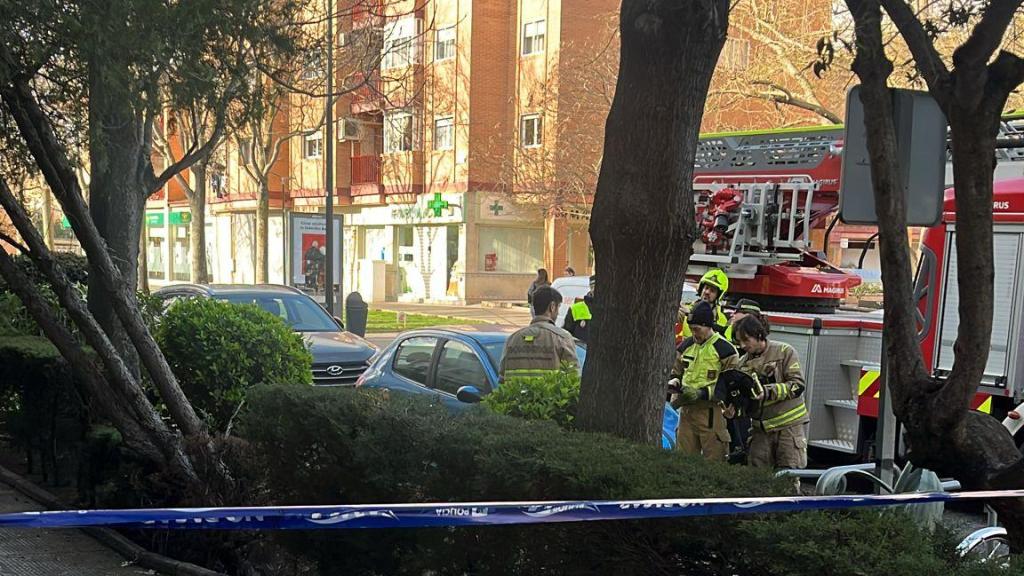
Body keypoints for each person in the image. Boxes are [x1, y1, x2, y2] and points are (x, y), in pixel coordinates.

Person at [732, 314, 809, 478]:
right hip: (760, 432)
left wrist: (767, 391)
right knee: (758, 479)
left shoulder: (784, 352)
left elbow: (797, 385)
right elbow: (745, 402)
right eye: (739, 341)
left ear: (759, 335)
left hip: (788, 429)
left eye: (746, 340)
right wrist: (734, 409)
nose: (743, 345)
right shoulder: (741, 364)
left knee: (788, 479)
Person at [668, 300, 738, 461]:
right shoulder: (685, 346)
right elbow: (676, 371)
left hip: (711, 412)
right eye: (691, 329)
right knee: (683, 460)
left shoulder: (725, 350)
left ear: (708, 326)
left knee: (714, 460)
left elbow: (730, 385)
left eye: (697, 329)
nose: (694, 333)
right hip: (686, 412)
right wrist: (674, 382)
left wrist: (702, 393)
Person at [500, 285, 578, 383]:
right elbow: (574, 379)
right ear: (552, 307)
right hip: (550, 394)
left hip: (515, 393)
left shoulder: (512, 340)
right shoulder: (562, 338)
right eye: (558, 307)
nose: (558, 313)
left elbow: (502, 379)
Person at [676, 269, 730, 343]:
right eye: (706, 288)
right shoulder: (686, 309)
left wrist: (691, 314)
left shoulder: (721, 319)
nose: (707, 292)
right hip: (687, 350)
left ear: (718, 295)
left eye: (712, 290)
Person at [563, 275, 595, 343]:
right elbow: (566, 335)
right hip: (580, 349)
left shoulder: (610, 309)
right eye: (593, 287)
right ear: (591, 288)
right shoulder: (575, 308)